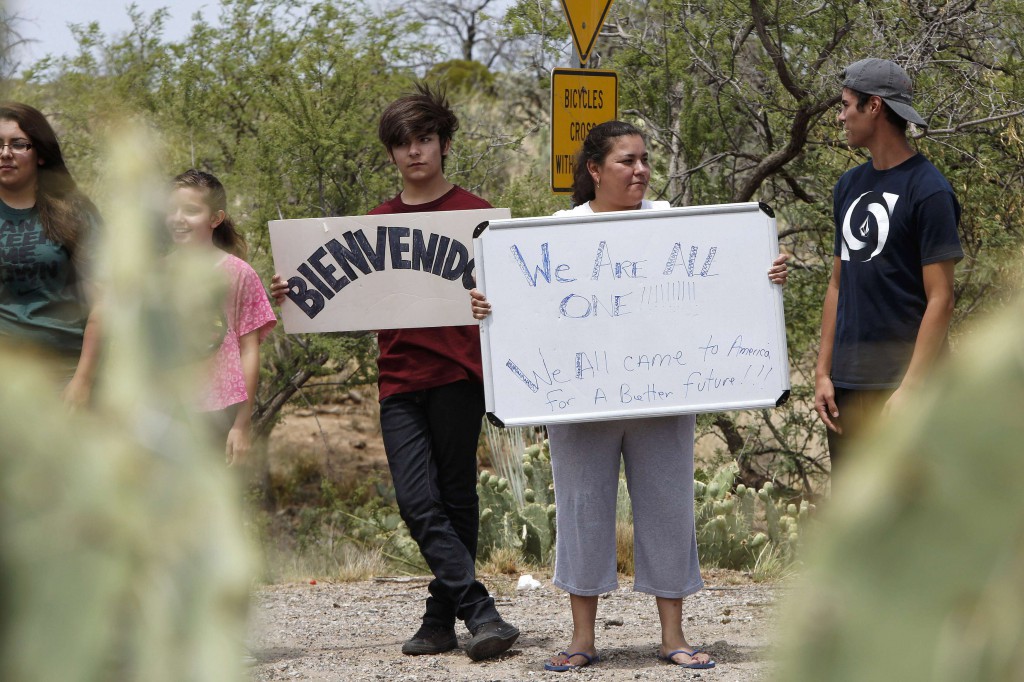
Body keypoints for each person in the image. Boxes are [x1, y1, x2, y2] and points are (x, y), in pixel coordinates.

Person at [470, 120, 789, 671]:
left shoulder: (670, 223)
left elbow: (723, 281)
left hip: (663, 397)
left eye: (644, 159)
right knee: (582, 512)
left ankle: (673, 636)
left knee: (669, 510)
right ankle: (581, 639)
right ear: (594, 170)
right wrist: (488, 304)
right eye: (627, 161)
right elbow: (523, 305)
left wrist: (765, 273)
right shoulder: (557, 231)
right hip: (579, 401)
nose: (640, 170)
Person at [270, 84, 519, 661]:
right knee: (416, 500)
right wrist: (293, 293)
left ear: (445, 144)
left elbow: (514, 297)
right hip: (400, 381)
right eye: (404, 143)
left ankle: (439, 623)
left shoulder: (477, 217)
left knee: (456, 498)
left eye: (425, 139)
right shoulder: (373, 223)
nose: (415, 152)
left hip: (461, 375)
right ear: (391, 153)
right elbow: (329, 294)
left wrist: (492, 304)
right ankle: (481, 610)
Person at [814, 58, 962, 468]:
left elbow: (941, 299)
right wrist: (823, 373)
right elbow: (837, 284)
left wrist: (911, 388)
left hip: (907, 387)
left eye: (846, 105)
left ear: (874, 106)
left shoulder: (928, 189)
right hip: (847, 386)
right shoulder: (848, 186)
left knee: (913, 522)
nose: (841, 116)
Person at [166, 169, 277, 465]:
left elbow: (250, 350)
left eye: (190, 210)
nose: (178, 218)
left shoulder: (239, 273)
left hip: (219, 409)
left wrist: (242, 424)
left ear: (215, 219)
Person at [0, 102, 102, 406]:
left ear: (41, 154)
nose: (5, 153)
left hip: (65, 376)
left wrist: (82, 381)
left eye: (19, 144)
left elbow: (104, 302)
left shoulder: (75, 213)